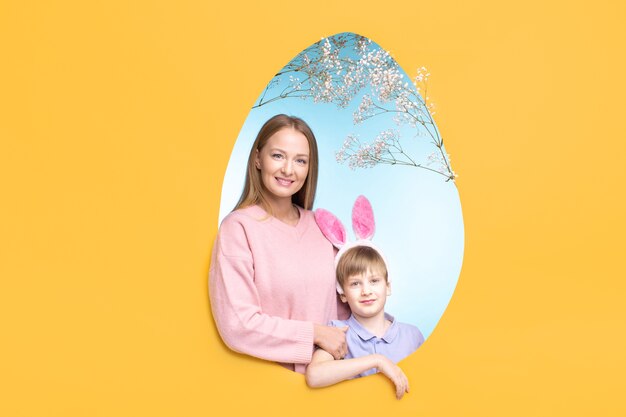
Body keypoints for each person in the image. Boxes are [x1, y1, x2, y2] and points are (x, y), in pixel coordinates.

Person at [209, 114, 349, 374]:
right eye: (278, 156)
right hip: (269, 387)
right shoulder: (238, 229)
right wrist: (315, 335)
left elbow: (347, 311)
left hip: (330, 385)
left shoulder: (322, 227)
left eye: (300, 160)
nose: (288, 170)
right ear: (257, 158)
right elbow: (238, 324)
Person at [306, 196, 424, 399]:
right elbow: (315, 376)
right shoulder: (338, 332)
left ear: (388, 287)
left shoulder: (412, 336)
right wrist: (376, 360)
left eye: (374, 281)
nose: (366, 291)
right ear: (342, 294)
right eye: (355, 284)